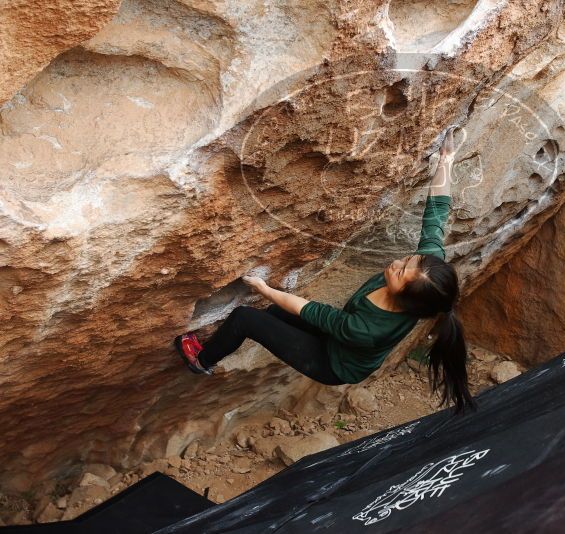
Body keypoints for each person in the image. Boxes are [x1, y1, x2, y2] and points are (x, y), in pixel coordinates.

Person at [175, 128, 476, 413]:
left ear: (405, 299)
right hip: (340, 338)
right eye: (409, 260)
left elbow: (312, 312)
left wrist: (265, 289)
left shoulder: (367, 329)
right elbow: (436, 214)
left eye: (401, 273)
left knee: (245, 318)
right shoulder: (425, 272)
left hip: (333, 363)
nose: (398, 264)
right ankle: (238, 334)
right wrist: (446, 159)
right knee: (276, 314)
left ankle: (201, 360)